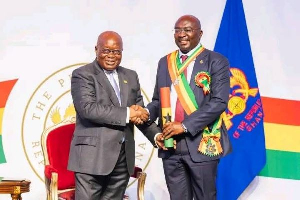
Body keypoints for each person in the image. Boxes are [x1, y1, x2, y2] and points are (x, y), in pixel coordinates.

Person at [146, 15, 232, 200]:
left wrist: (184, 126)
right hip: (170, 145)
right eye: (178, 30)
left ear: (200, 33)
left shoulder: (216, 61)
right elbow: (158, 101)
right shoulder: (165, 62)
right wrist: (145, 112)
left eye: (187, 30)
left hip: (201, 143)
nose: (182, 34)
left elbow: (219, 102)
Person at [68, 31, 160, 200]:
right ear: (96, 49)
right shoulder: (83, 74)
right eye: (106, 50)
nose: (111, 56)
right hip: (92, 159)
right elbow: (88, 109)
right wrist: (128, 113)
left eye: (117, 51)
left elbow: (138, 111)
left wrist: (156, 135)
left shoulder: (130, 76)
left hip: (123, 158)